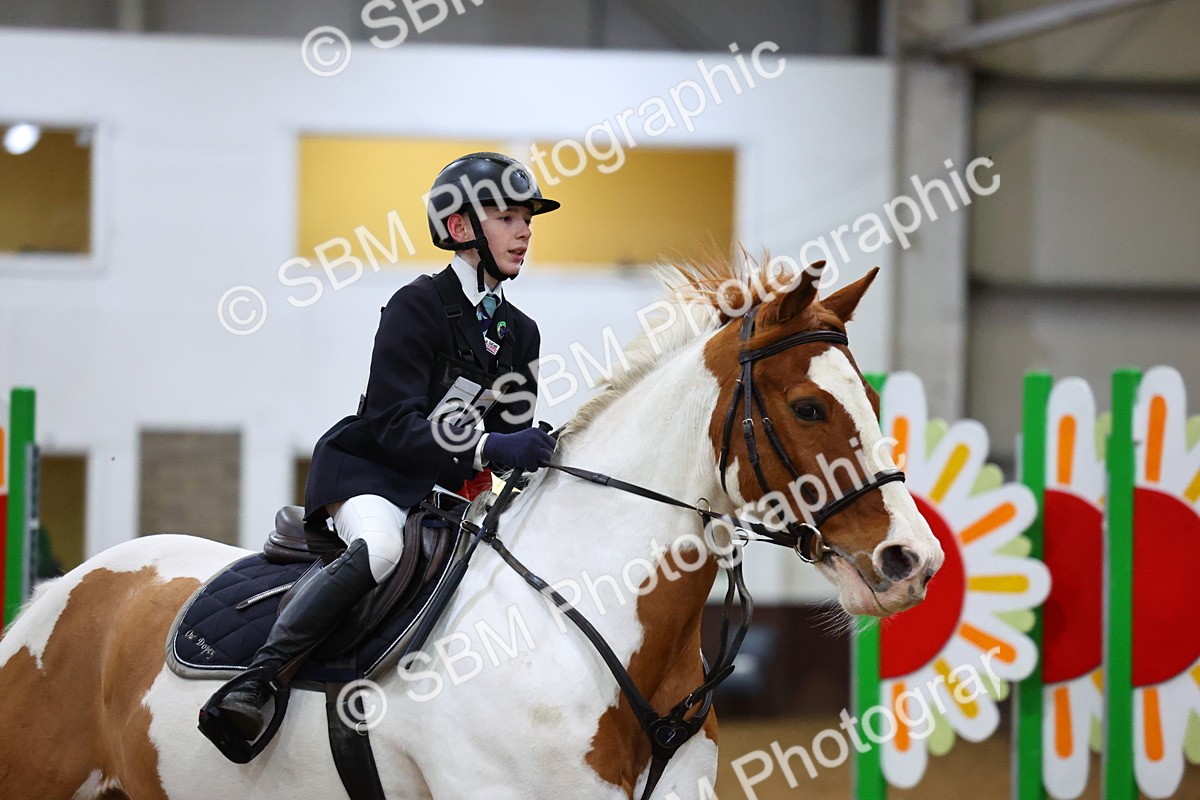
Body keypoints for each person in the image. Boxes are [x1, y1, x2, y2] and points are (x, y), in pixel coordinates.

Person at [211, 152, 559, 740]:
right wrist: (491, 449)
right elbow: (394, 423)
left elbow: (509, 435)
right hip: (373, 474)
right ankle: (259, 679)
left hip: (447, 495)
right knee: (380, 549)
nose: (524, 232)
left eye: (527, 219)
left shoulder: (522, 333)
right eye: (506, 218)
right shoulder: (416, 304)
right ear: (459, 227)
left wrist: (534, 452)